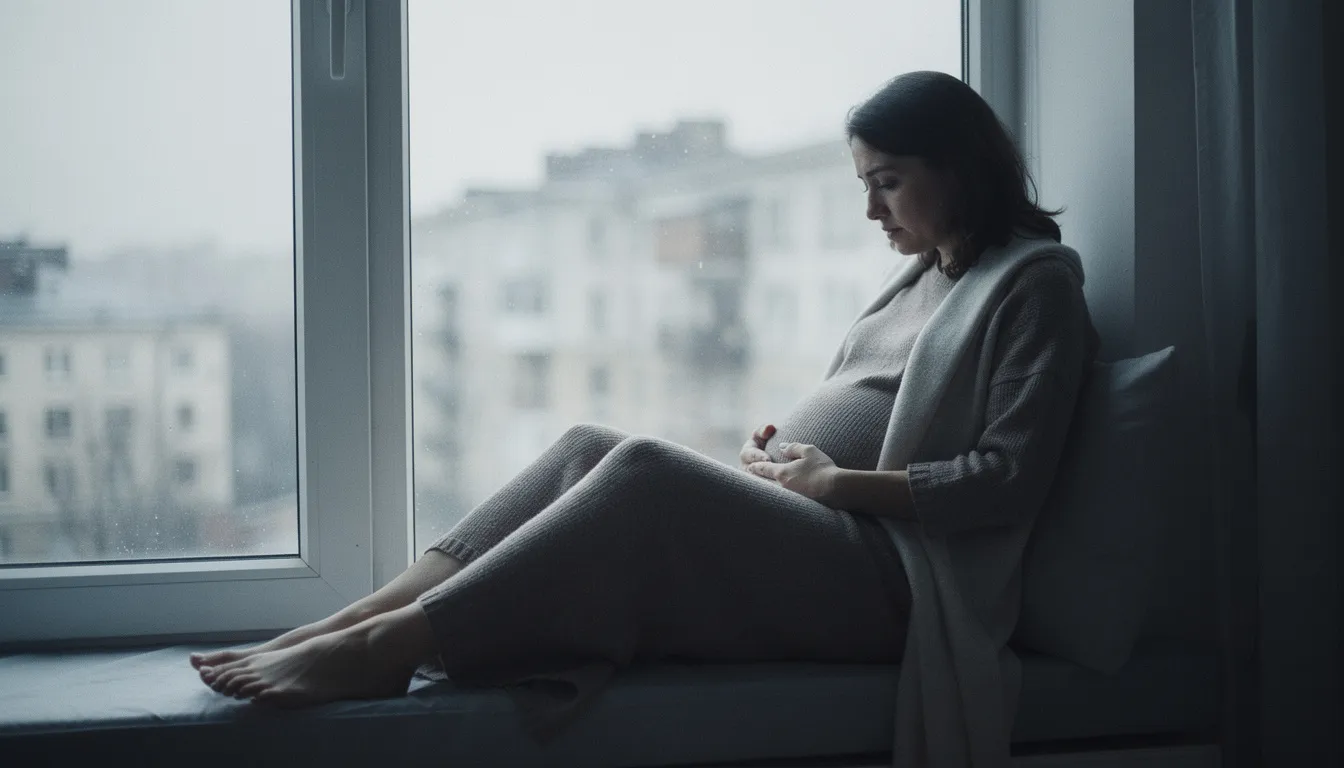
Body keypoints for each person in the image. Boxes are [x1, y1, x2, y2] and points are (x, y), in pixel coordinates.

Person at [189, 71, 1097, 747]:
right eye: (864, 184)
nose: (869, 209)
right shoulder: (925, 276)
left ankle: (388, 650)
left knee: (647, 473)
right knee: (590, 442)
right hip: (838, 537)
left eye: (887, 181)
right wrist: (789, 459)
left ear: (962, 167)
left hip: (901, 587)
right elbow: (880, 410)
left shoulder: (1035, 286)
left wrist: (839, 480)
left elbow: (1007, 483)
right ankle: (351, 622)